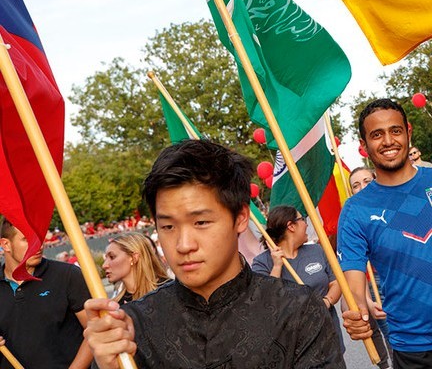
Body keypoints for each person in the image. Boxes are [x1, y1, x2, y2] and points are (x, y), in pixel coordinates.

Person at [84, 139, 345, 368]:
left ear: (241, 217)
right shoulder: (133, 327)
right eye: (168, 226)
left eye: (201, 223)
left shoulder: (298, 310)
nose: (184, 244)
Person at [338, 98, 432, 369]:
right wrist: (353, 313)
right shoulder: (355, 210)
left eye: (395, 131)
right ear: (364, 145)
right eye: (377, 135)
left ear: (408, 132)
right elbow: (353, 288)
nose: (388, 141)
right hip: (413, 349)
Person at [0, 217, 93, 369]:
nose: (39, 245)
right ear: (6, 244)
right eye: (28, 239)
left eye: (40, 236)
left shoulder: (68, 275)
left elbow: (94, 329)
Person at [251, 205, 345, 355]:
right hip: (294, 345)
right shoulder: (262, 263)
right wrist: (277, 266)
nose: (307, 224)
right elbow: (266, 301)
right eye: (303, 219)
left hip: (328, 336)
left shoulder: (317, 250)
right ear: (291, 226)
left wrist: (325, 302)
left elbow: (336, 282)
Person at [348, 167, 393, 369]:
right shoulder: (352, 221)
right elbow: (355, 268)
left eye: (367, 181)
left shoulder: (395, 208)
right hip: (373, 284)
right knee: (387, 333)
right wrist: (365, 300)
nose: (362, 187)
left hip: (403, 282)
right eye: (356, 185)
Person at [103, 232, 170, 304]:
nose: (104, 265)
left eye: (112, 257)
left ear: (133, 258)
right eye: (105, 258)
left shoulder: (169, 291)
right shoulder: (116, 306)